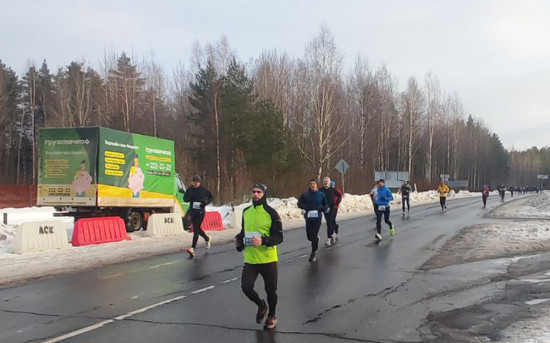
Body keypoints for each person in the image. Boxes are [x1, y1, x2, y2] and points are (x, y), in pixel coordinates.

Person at [235, 183, 282, 330]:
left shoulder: (271, 213)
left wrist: (263, 240)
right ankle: (261, 305)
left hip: (268, 259)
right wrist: (239, 240)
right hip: (251, 259)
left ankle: (272, 316)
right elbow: (244, 232)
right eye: (253, 192)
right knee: (246, 287)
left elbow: (279, 237)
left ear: (264, 194)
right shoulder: (246, 212)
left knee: (270, 290)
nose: (255, 195)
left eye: (258, 192)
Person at [298, 178, 328, 262]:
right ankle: (315, 239)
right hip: (308, 217)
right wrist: (305, 207)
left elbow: (325, 204)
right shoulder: (305, 195)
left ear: (316, 185)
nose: (312, 185)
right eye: (311, 183)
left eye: (313, 183)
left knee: (314, 235)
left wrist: (323, 208)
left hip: (317, 217)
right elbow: (299, 203)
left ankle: (313, 253)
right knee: (309, 236)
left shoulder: (321, 194)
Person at [183, 175, 213, 258]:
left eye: (196, 182)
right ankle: (207, 238)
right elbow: (185, 198)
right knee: (197, 228)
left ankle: (192, 248)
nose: (194, 183)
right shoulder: (190, 190)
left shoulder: (203, 190)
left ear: (199, 182)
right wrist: (189, 198)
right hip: (193, 211)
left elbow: (211, 197)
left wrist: (205, 203)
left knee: (196, 228)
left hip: (200, 212)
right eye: (193, 182)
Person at [319, 177, 338, 246]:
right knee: (329, 223)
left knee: (329, 223)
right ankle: (332, 233)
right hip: (325, 209)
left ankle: (328, 239)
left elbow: (339, 195)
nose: (325, 182)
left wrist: (336, 203)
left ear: (329, 182)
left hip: (332, 208)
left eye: (326, 181)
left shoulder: (333, 190)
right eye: (324, 181)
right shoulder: (320, 190)